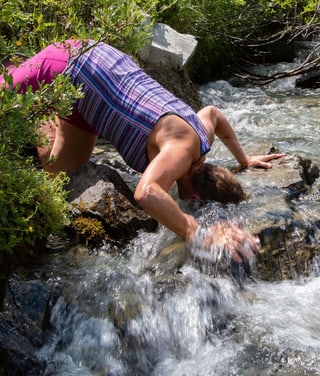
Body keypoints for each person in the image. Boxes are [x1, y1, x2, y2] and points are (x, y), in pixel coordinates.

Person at [0, 39, 285, 262]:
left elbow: (213, 113)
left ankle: (45, 115)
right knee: (4, 93)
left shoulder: (202, 141)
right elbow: (147, 193)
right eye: (195, 207)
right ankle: (22, 80)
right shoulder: (181, 153)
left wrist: (245, 159)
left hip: (89, 94)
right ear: (195, 197)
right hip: (72, 64)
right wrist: (196, 232)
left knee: (61, 174)